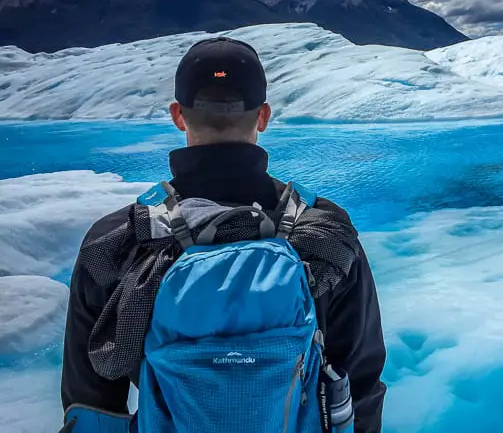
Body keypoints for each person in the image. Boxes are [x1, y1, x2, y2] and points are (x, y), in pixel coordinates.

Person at [61, 36, 387, 432]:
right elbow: (361, 375)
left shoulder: (119, 238)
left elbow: (90, 401)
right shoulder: (322, 228)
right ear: (263, 116)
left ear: (178, 115)